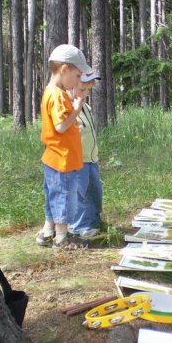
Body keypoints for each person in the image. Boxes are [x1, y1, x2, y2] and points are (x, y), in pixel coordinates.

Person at [36, 44, 91, 250]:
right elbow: (60, 126)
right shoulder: (57, 94)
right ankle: (62, 238)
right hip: (62, 159)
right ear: (64, 70)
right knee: (64, 196)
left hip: (54, 157)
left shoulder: (52, 92)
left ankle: (48, 231)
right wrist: (76, 110)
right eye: (77, 76)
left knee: (53, 194)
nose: (78, 81)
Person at [68, 73, 103, 238]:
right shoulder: (68, 107)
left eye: (88, 90)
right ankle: (79, 227)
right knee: (79, 194)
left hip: (91, 159)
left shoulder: (86, 107)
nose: (85, 94)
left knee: (94, 191)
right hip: (77, 160)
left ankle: (94, 221)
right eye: (82, 90)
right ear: (71, 86)